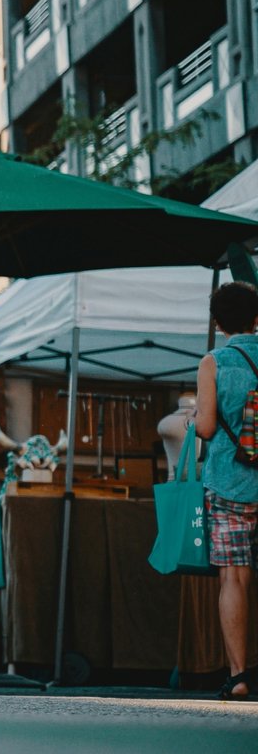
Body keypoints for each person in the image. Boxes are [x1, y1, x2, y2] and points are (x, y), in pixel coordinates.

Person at [194, 282, 258, 700]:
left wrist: (192, 419)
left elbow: (206, 427)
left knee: (234, 577)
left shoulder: (213, 362)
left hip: (229, 482)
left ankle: (238, 676)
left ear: (217, 323)